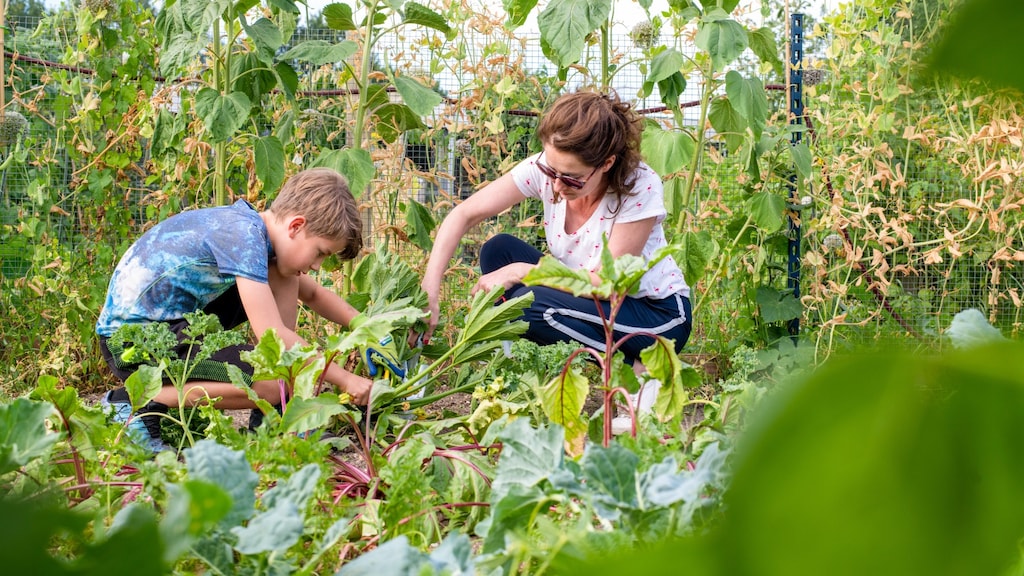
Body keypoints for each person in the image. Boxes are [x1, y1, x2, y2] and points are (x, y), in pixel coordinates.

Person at [95, 167, 376, 453]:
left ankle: (275, 414)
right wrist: (346, 379)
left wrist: (366, 328)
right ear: (296, 226)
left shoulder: (254, 233)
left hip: (166, 326)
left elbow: (314, 293)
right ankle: (133, 403)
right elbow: (273, 333)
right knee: (270, 382)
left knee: (284, 272)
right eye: (320, 253)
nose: (317, 266)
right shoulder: (244, 237)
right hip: (132, 342)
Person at [419, 89, 692, 377]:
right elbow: (464, 214)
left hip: (656, 316)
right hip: (595, 305)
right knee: (498, 251)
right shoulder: (546, 169)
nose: (557, 186)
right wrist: (430, 289)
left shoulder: (638, 186)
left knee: (530, 306)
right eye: (552, 172)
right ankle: (515, 365)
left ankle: (640, 370)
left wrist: (524, 271)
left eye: (572, 178)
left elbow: (607, 285)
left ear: (606, 164)